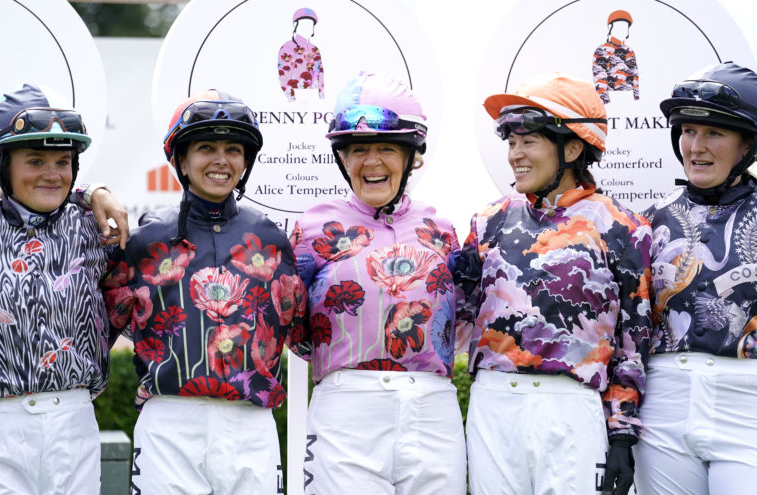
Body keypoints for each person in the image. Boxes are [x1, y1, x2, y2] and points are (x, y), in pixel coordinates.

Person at [453, 73, 652, 495]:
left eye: (529, 141)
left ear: (573, 147)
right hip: (493, 404)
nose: (515, 155)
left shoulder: (622, 226)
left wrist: (621, 432)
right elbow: (452, 317)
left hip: (573, 409)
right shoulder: (487, 221)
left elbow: (634, 341)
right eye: (511, 142)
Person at [102, 89, 305, 494]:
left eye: (233, 149)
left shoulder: (271, 239)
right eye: (206, 147)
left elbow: (296, 331)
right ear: (181, 159)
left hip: (251, 424)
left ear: (246, 161)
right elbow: (102, 330)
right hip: (169, 425)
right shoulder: (144, 241)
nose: (221, 160)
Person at [290, 71, 467, 494]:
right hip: (345, 407)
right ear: (341, 158)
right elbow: (292, 326)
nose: (371, 161)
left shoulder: (440, 228)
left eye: (386, 148)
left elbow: (459, 320)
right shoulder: (312, 227)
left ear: (410, 158)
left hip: (432, 407)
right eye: (357, 150)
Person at [0, 83, 121, 493]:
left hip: (74, 421)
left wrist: (91, 193)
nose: (52, 174)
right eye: (34, 160)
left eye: (62, 161)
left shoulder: (93, 229)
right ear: (1, 167)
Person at [634, 61, 757, 495]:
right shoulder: (647, 222)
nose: (696, 146)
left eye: (714, 133)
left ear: (748, 145)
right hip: (664, 403)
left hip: (748, 405)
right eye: (687, 130)